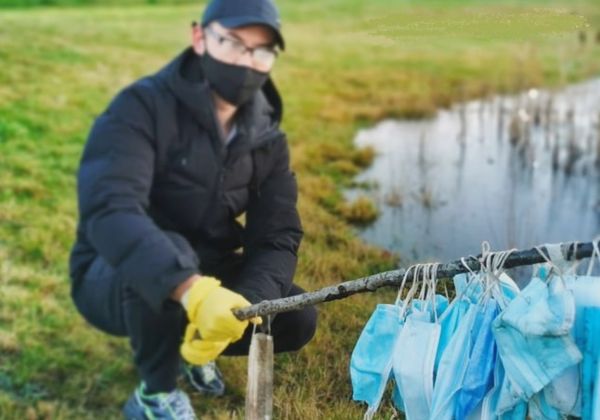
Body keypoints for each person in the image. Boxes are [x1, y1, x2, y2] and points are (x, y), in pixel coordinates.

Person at [68, 0, 317, 417]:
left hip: (209, 266)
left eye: (261, 51)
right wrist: (191, 290)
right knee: (168, 255)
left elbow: (276, 235)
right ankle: (154, 393)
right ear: (199, 37)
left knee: (296, 315)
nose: (246, 61)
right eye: (233, 43)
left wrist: (245, 306)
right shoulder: (140, 108)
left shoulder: (267, 138)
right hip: (111, 273)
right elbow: (110, 209)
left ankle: (197, 349)